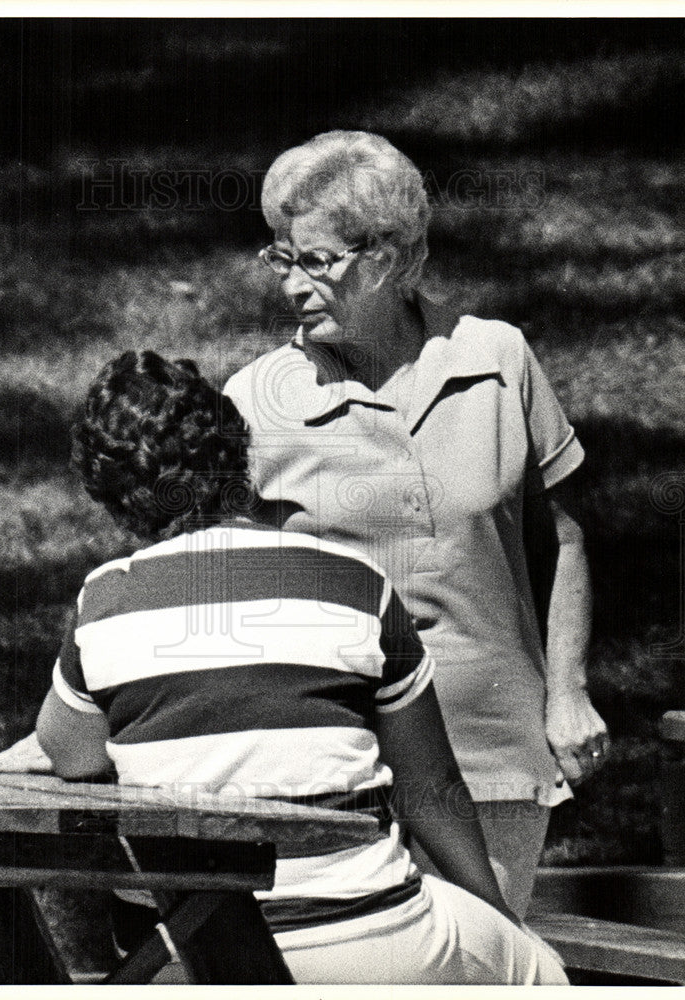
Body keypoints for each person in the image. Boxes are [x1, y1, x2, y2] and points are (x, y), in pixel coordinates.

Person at [26, 349, 567, 984]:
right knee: (536, 971)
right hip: (373, 935)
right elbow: (431, 788)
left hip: (197, 956)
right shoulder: (353, 581)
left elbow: (68, 751)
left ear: (108, 492)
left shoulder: (107, 601)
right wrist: (496, 913)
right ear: (238, 456)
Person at [223, 130, 610, 918]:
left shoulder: (497, 359)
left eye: (318, 260)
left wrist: (566, 692)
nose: (293, 285)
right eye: (280, 258)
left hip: (492, 754)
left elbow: (563, 537)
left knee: (481, 968)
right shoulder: (257, 401)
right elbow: (220, 586)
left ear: (391, 256)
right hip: (335, 767)